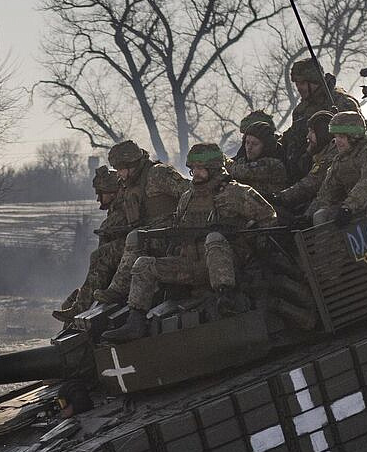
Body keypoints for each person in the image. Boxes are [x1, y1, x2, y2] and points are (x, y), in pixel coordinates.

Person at [102, 142, 277, 338]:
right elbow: (178, 230)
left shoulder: (236, 193)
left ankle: (225, 300)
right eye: (193, 168)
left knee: (214, 238)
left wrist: (256, 245)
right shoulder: (186, 199)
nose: (196, 173)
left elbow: (269, 217)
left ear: (213, 168)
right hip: (193, 265)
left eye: (200, 168)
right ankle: (135, 322)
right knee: (143, 265)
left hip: (229, 267)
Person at [54, 165, 124, 320]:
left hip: (125, 265)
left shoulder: (121, 213)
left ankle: (81, 306)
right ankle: (80, 303)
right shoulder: (115, 213)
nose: (98, 199)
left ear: (112, 192)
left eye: (101, 194)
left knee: (98, 256)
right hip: (117, 269)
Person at [309, 111, 367, 225]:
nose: (337, 142)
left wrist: (348, 207)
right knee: (321, 216)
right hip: (360, 207)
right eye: (335, 137)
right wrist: (309, 215)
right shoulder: (341, 160)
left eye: (341, 136)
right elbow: (327, 192)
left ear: (353, 136)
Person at [281, 57, 358, 181]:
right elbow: (292, 137)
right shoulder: (301, 110)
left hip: (335, 167)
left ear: (314, 81)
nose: (299, 88)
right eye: (296, 84)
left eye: (302, 83)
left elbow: (355, 139)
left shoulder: (341, 102)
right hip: (302, 168)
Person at [276, 110, 343, 219]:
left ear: (323, 133)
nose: (308, 136)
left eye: (312, 132)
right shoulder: (319, 153)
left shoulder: (332, 154)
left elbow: (311, 184)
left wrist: (280, 197)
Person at [227, 110, 289, 195]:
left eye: (255, 144)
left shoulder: (273, 162)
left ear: (265, 146)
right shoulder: (246, 152)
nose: (249, 147)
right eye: (247, 142)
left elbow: (238, 170)